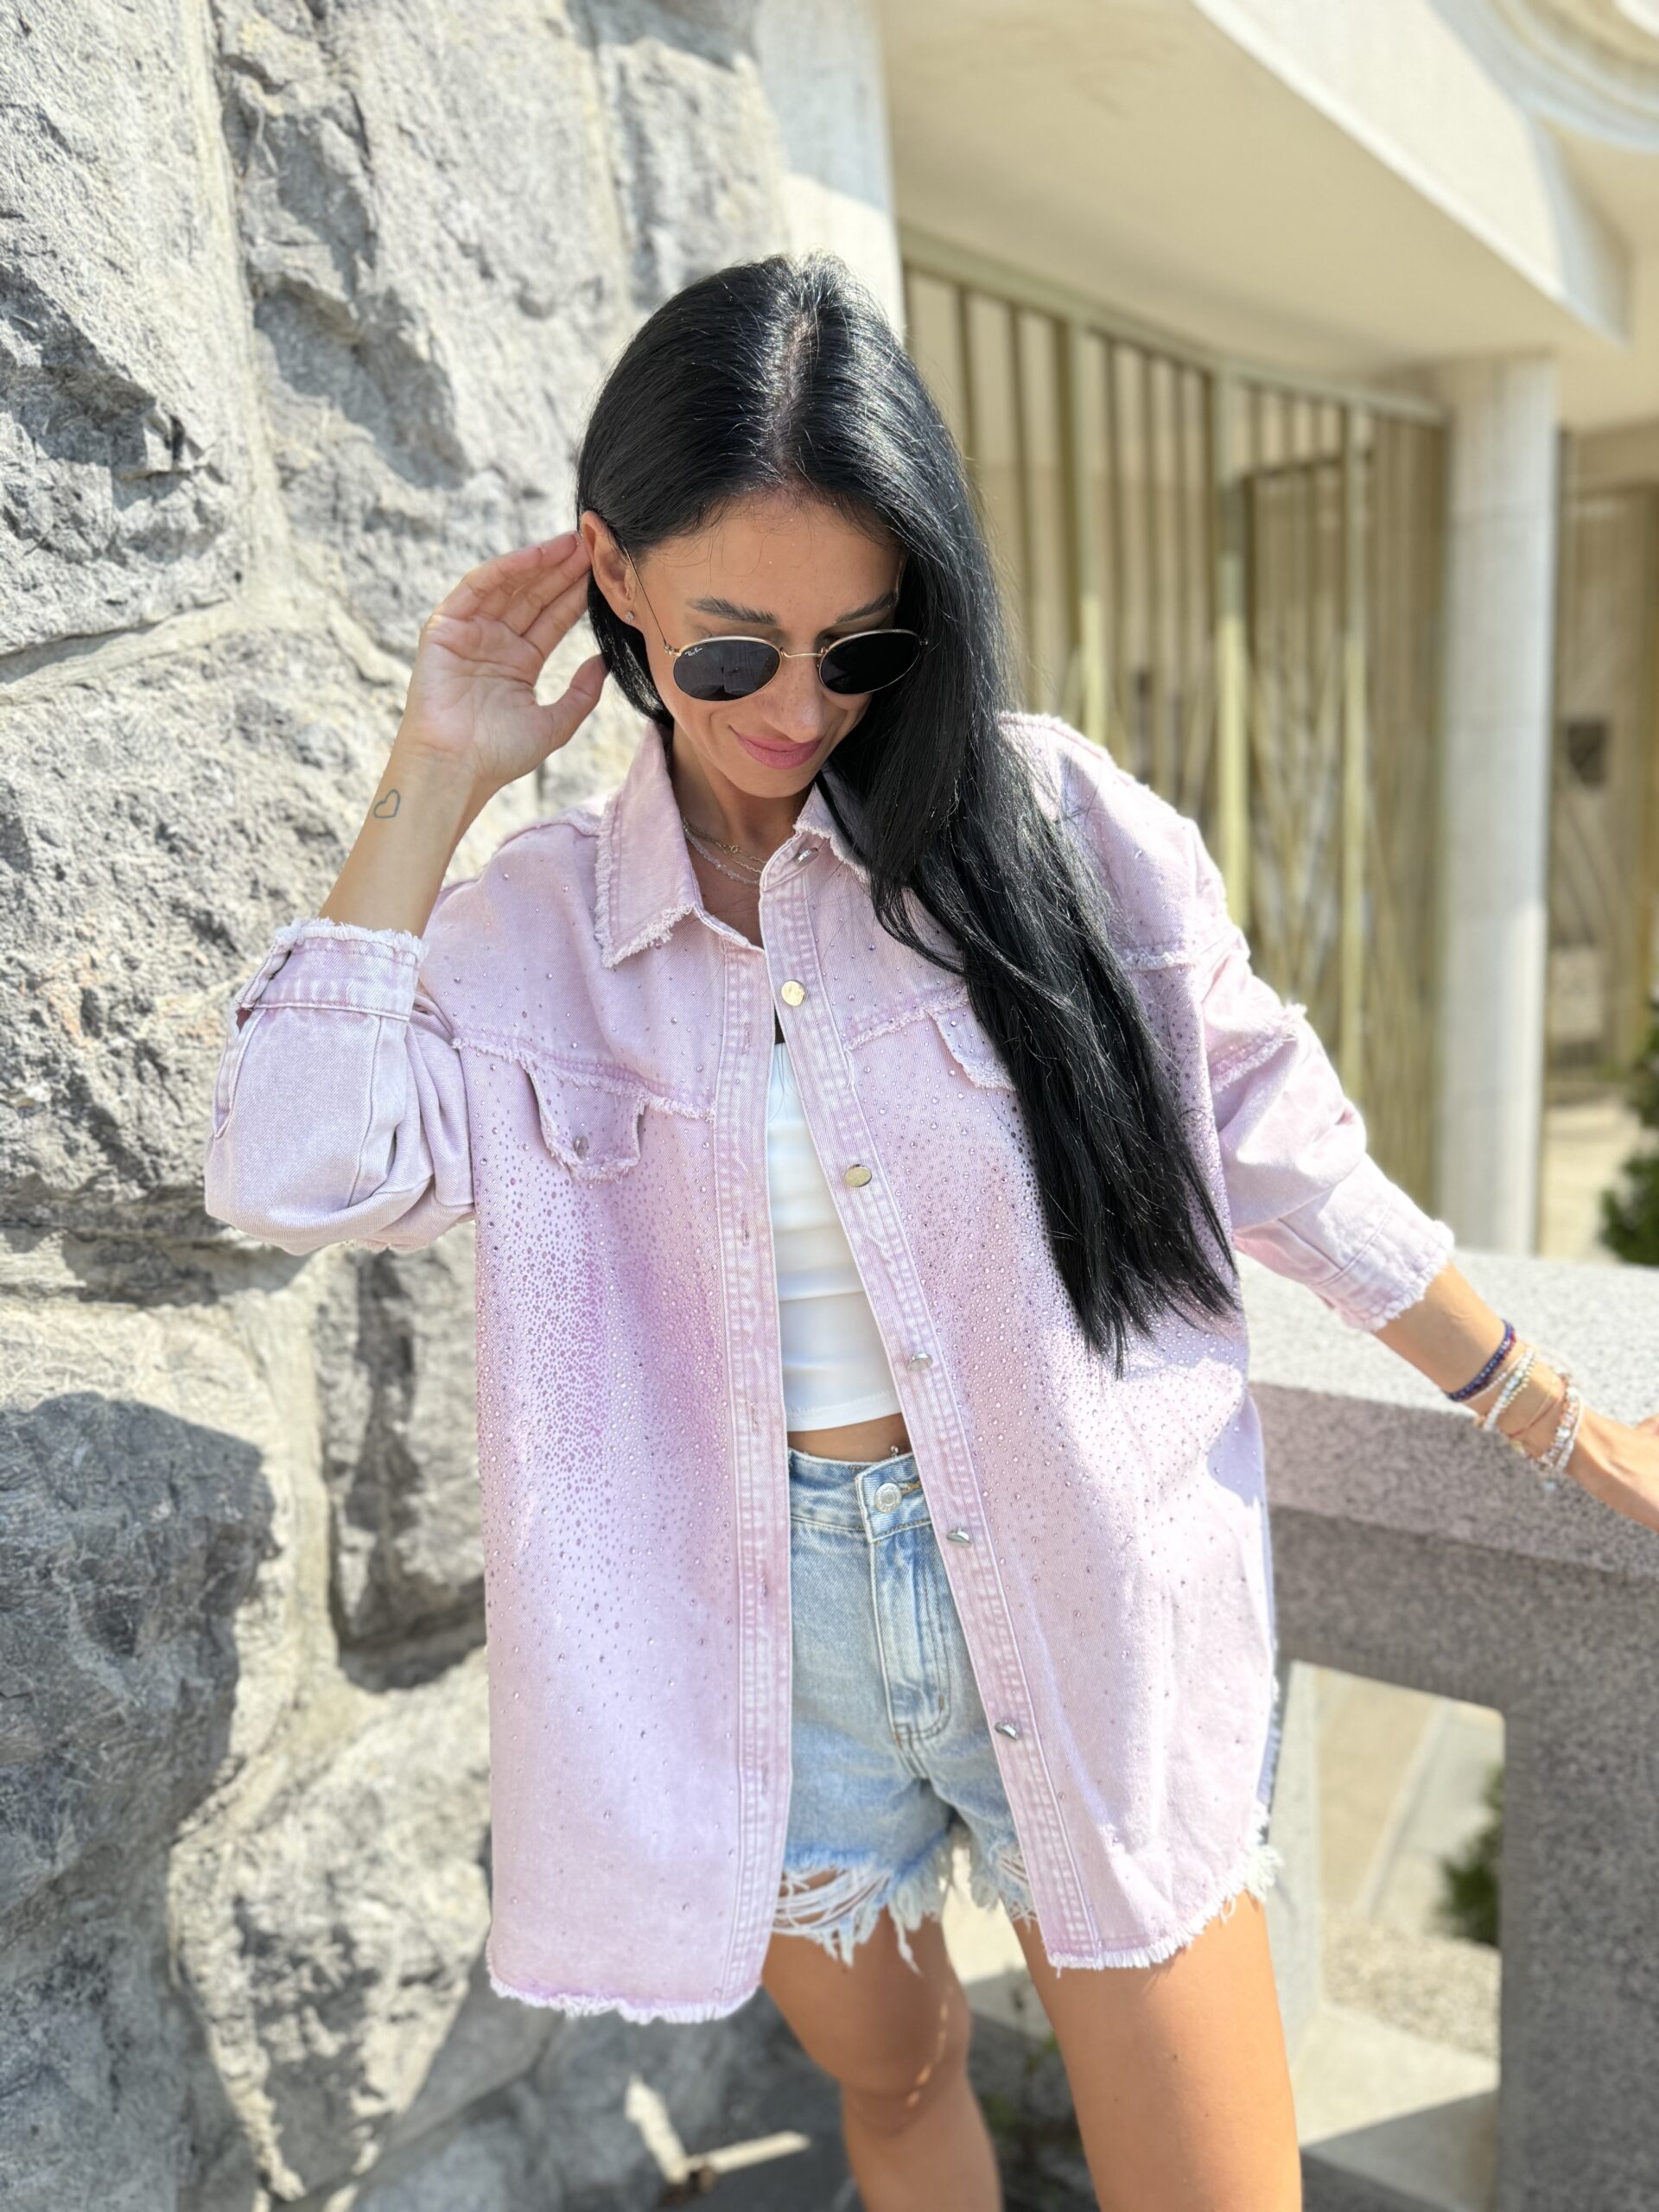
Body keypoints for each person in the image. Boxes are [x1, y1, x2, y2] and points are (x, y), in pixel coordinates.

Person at [202, 251, 1659, 2212]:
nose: (801, 708)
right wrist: (439, 765)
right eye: (732, 651)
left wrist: (1551, 1412)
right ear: (614, 574)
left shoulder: (1055, 831)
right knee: (896, 2087)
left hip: (1078, 1578)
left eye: (861, 646)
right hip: (752, 1638)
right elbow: (288, 1170)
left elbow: (1285, 1144)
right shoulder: (535, 932)